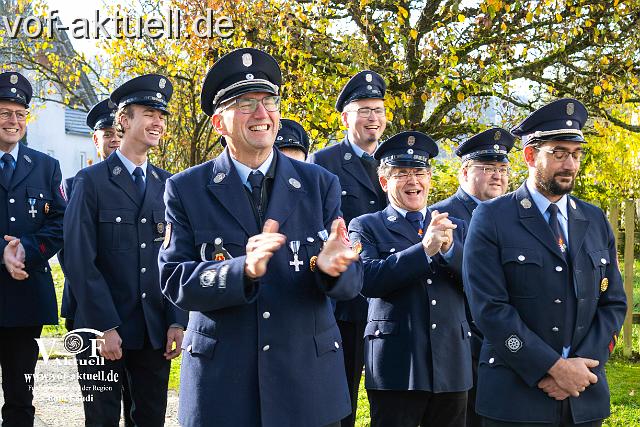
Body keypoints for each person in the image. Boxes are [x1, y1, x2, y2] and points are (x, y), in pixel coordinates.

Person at [158, 47, 362, 427]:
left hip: (306, 383)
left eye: (269, 101)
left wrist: (334, 269)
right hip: (224, 388)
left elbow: (350, 282)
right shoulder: (186, 189)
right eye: (246, 103)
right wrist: (242, 271)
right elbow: (175, 280)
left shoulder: (320, 184)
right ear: (220, 124)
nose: (261, 113)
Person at [463, 98, 627, 427]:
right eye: (558, 153)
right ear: (529, 155)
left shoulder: (593, 220)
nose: (570, 164)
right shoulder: (492, 217)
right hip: (515, 397)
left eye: (576, 154)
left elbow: (613, 303)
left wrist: (581, 370)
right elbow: (490, 309)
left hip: (584, 396)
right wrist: (552, 367)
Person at [63, 74, 187, 426]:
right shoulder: (91, 182)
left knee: (149, 419)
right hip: (103, 330)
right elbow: (77, 259)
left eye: (162, 116)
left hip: (153, 331)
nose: (158, 122)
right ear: (124, 120)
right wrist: (104, 326)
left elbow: (175, 258)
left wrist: (176, 320)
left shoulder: (168, 185)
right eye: (149, 113)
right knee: (101, 420)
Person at [349, 131, 471, 427]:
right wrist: (424, 251)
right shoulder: (365, 226)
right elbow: (366, 280)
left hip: (451, 363)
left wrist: (449, 250)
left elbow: (479, 283)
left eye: (419, 172)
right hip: (396, 364)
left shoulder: (457, 226)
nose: (413, 181)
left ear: (430, 178)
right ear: (384, 182)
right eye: (401, 174)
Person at [307, 70, 388, 427]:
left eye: (379, 110)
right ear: (345, 117)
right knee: (341, 399)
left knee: (390, 398)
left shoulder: (396, 161)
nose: (373, 118)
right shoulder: (324, 162)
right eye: (365, 110)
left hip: (390, 297)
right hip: (346, 303)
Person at [430, 127, 515, 427]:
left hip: (512, 339)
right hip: (464, 342)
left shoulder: (515, 214)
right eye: (488, 168)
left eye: (503, 168)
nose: (498, 176)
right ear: (464, 172)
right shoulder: (440, 216)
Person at [57, 98, 134, 427]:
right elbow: (70, 253)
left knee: (138, 407)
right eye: (106, 133)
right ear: (95, 139)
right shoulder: (73, 187)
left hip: (137, 315)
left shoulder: (152, 186)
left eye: (118, 132)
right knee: (100, 412)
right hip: (89, 315)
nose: (114, 138)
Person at [0, 71, 66, 426]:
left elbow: (60, 223)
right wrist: (2, 251)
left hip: (26, 298)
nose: (13, 121)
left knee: (21, 396)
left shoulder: (46, 167)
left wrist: (25, 248)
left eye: (19, 114)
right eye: (5, 113)